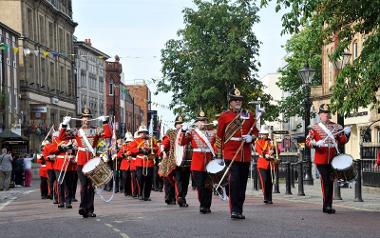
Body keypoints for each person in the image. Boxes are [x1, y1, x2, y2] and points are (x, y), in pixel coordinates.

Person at [60, 108, 112, 218]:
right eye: (84, 117)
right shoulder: (77, 131)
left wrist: (105, 122)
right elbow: (61, 138)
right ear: (81, 119)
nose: (86, 119)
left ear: (91, 119)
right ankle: (83, 207)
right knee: (84, 185)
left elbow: (108, 135)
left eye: (88, 117)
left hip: (92, 161)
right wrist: (64, 125)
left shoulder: (96, 130)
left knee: (91, 186)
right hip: (81, 162)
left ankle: (89, 209)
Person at [216, 87, 259, 219]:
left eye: (239, 100)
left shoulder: (248, 115)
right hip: (230, 154)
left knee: (242, 185)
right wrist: (219, 156)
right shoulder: (224, 116)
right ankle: (234, 210)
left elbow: (255, 131)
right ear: (230, 102)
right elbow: (219, 137)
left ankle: (239, 209)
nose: (238, 102)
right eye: (235, 100)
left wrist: (251, 138)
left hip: (244, 154)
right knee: (234, 182)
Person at [306, 104, 350, 214]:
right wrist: (316, 144)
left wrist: (347, 134)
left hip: (333, 159)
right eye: (323, 113)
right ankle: (326, 206)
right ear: (320, 115)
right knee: (326, 181)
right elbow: (307, 141)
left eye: (327, 113)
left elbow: (342, 140)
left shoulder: (336, 127)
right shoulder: (314, 128)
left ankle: (328, 205)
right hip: (321, 159)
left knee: (330, 182)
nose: (326, 115)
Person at [180, 110, 215, 213]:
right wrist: (183, 131)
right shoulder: (191, 132)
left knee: (208, 185)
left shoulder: (212, 132)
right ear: (196, 122)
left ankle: (208, 205)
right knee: (200, 185)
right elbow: (182, 143)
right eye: (200, 121)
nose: (202, 123)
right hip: (197, 163)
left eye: (204, 121)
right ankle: (202, 204)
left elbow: (217, 145)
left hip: (209, 161)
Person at [130, 125, 159, 201]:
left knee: (148, 179)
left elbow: (157, 148)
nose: (143, 134)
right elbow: (132, 149)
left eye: (145, 133)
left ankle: (146, 195)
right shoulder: (136, 140)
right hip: (140, 162)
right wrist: (140, 149)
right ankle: (140, 194)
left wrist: (151, 149)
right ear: (139, 133)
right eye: (141, 133)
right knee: (140, 179)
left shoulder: (151, 140)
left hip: (149, 162)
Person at [255, 125, 275, 204]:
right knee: (265, 180)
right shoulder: (258, 142)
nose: (264, 135)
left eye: (266, 134)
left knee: (270, 181)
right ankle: (265, 197)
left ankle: (269, 198)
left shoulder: (271, 141)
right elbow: (259, 150)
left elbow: (278, 150)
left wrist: (273, 151)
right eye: (263, 134)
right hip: (262, 163)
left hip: (270, 163)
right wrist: (265, 155)